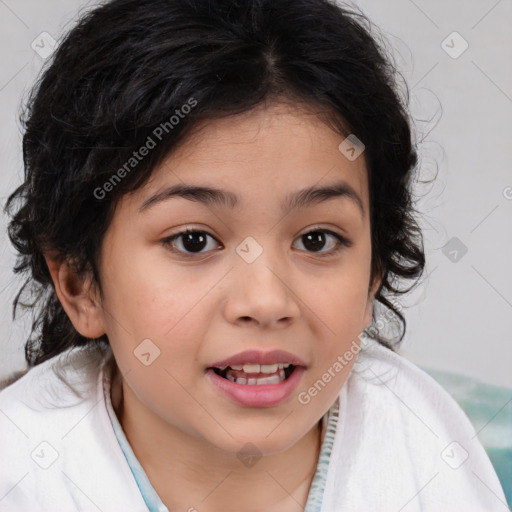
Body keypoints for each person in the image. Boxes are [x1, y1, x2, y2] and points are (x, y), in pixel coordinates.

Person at [0, 0, 507, 510]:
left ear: (375, 269)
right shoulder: (23, 475)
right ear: (79, 283)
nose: (266, 302)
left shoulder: (431, 458)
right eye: (193, 240)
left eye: (316, 240)